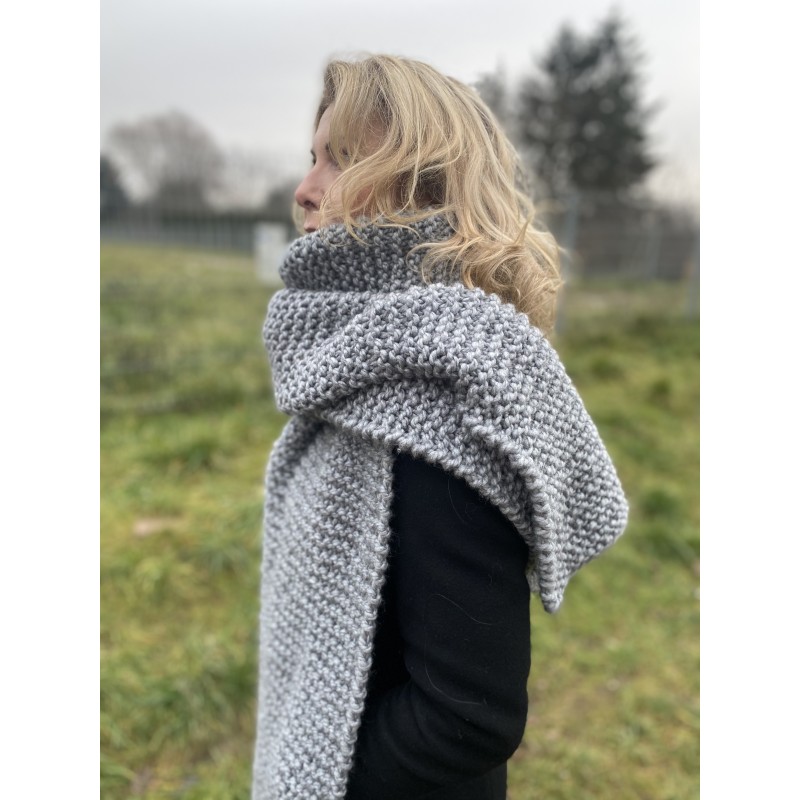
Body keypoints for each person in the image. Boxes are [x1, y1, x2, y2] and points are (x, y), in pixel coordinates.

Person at [252, 54, 628, 800]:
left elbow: (468, 717)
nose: (305, 189)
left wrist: (329, 781)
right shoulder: (366, 372)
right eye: (312, 158)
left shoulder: (439, 403)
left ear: (424, 185)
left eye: (342, 159)